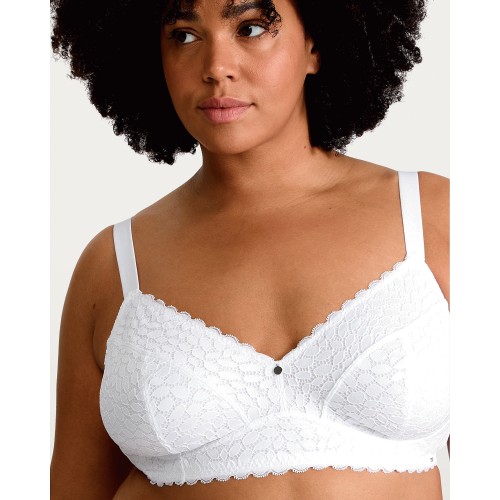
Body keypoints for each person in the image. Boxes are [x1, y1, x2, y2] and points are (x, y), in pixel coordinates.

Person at [50, 0, 450, 498]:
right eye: (184, 35)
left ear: (315, 44)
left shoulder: (435, 219)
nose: (216, 67)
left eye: (252, 28)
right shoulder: (112, 265)